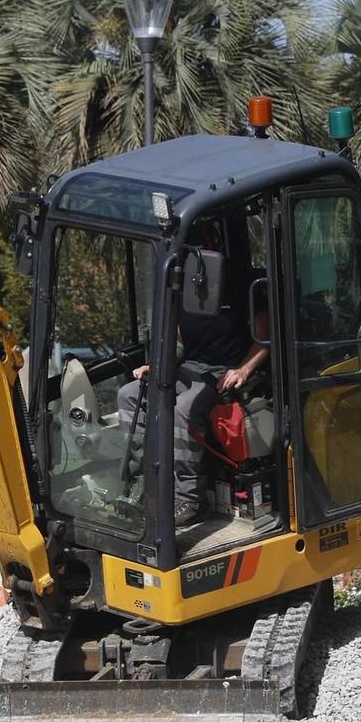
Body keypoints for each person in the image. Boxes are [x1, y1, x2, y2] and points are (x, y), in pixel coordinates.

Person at [116, 218, 269, 525]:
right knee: (129, 395)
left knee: (184, 408)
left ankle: (189, 498)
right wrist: (157, 365)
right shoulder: (179, 285)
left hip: (222, 373)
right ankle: (144, 483)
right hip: (190, 368)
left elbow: (265, 338)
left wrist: (243, 369)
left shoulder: (242, 283)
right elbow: (176, 341)